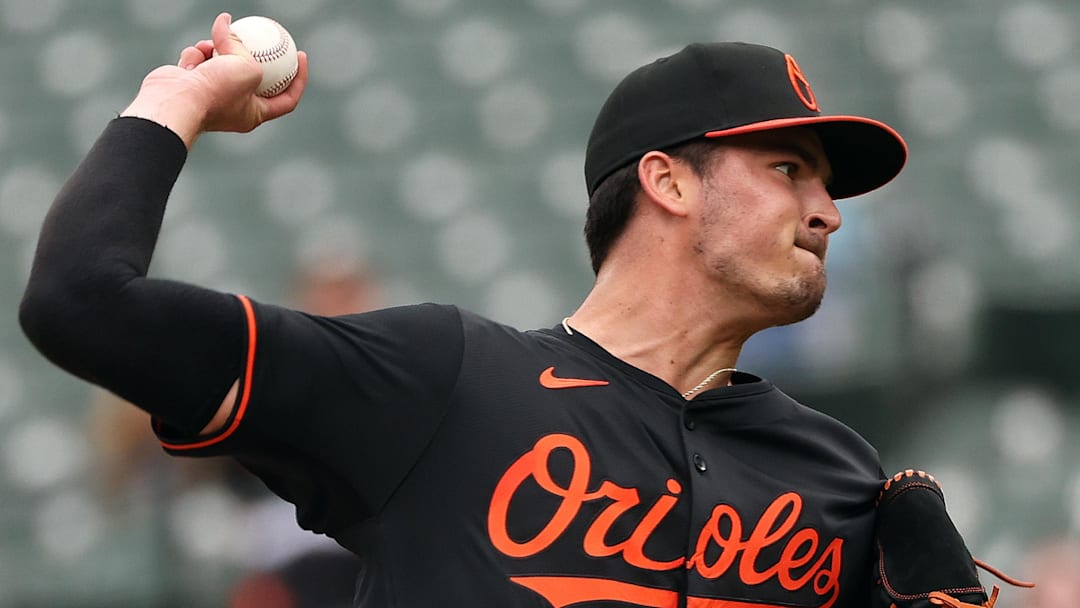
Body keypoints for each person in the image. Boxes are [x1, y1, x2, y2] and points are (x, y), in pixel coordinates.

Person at [19, 12, 914, 608]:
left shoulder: (838, 476)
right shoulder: (442, 384)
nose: (828, 211)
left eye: (825, 185)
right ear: (668, 181)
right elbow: (80, 300)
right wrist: (174, 100)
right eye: (790, 171)